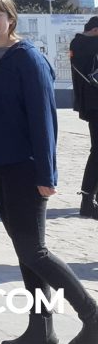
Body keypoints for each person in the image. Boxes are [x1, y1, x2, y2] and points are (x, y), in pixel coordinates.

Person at [0, 0, 98, 344]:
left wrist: (47, 174)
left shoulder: (27, 58)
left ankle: (91, 315)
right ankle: (40, 331)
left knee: (35, 251)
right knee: (25, 252)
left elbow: (44, 119)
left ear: (11, 17)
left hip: (24, 168)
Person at [70, 16, 98, 219]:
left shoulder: (77, 43)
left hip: (90, 105)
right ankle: (88, 202)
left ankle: (89, 200)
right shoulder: (88, 44)